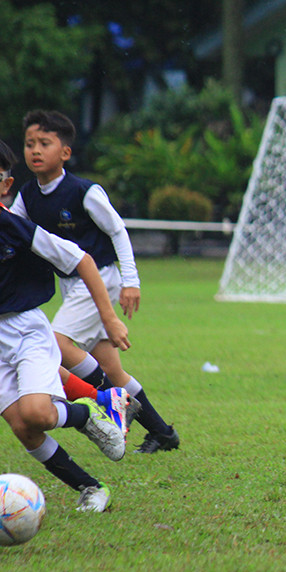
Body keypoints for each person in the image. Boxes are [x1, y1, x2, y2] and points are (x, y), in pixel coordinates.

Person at [9, 109, 179, 454]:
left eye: (45, 143)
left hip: (99, 279)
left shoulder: (84, 191)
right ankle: (162, 432)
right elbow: (13, 233)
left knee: (57, 343)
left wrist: (131, 281)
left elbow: (117, 230)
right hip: (73, 287)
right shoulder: (26, 196)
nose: (35, 150)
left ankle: (108, 400)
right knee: (111, 368)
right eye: (29, 144)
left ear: (66, 152)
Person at [0, 138, 130, 512]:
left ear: (6, 186)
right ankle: (91, 488)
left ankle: (88, 413)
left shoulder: (16, 229)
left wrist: (109, 317)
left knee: (38, 412)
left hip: (26, 332)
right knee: (25, 428)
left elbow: (84, 261)